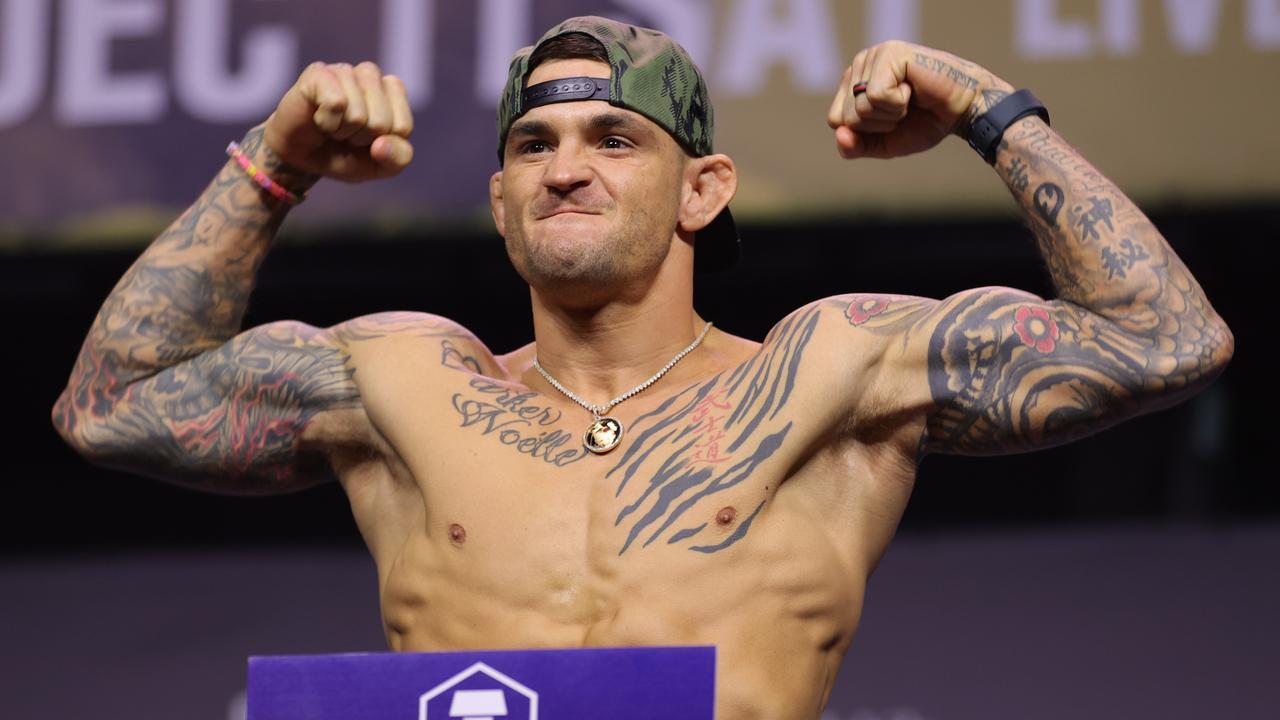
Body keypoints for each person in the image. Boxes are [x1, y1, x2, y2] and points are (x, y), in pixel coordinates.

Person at [51, 15, 1233, 720]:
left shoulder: (828, 371)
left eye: (615, 138)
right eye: (532, 145)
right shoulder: (402, 382)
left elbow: (1163, 339)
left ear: (702, 190)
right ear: (501, 204)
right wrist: (275, 161)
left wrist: (983, 106)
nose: (567, 167)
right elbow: (111, 407)